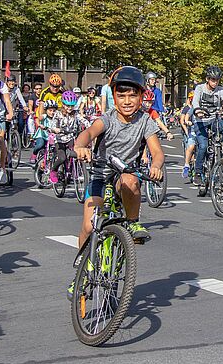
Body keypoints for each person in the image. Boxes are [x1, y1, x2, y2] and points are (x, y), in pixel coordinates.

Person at [73, 66, 164, 249]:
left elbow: (157, 152)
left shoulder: (145, 121)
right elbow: (89, 132)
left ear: (141, 97)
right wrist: (80, 146)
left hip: (124, 175)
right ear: (114, 97)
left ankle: (132, 222)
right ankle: (82, 268)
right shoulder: (108, 118)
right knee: (89, 227)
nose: (127, 101)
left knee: (130, 180)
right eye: (121, 96)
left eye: (132, 96)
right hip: (101, 176)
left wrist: (156, 166)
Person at [190, 66, 223, 185]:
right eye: (213, 80)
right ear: (207, 79)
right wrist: (197, 110)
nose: (215, 82)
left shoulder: (220, 90)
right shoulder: (200, 88)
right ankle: (198, 172)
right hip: (201, 121)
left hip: (214, 120)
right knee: (203, 146)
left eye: (217, 80)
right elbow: (195, 101)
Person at [48, 91, 89, 184]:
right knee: (62, 158)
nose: (70, 108)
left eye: (72, 106)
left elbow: (83, 120)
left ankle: (74, 170)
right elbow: (53, 125)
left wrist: (90, 126)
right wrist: (56, 129)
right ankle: (53, 171)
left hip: (71, 138)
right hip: (60, 140)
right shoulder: (58, 114)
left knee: (77, 154)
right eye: (67, 106)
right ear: (63, 104)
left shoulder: (75, 114)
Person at [180, 91, 197, 180]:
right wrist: (186, 129)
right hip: (191, 130)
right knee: (190, 147)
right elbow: (183, 120)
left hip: (199, 131)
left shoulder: (200, 106)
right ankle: (187, 165)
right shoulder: (187, 108)